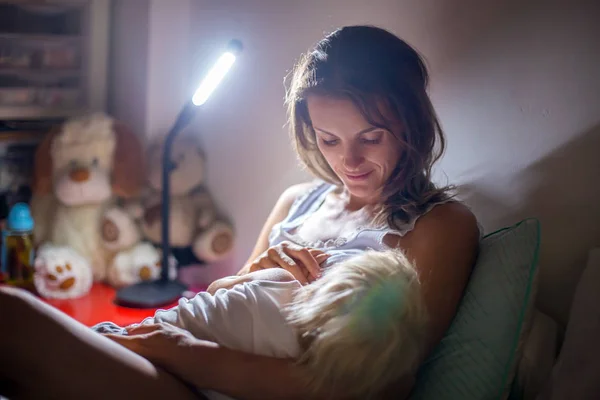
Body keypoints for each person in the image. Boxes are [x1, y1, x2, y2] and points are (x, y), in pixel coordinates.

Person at [0, 25, 479, 400]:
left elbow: (378, 385)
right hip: (177, 349)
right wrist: (254, 271)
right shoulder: (298, 201)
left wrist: (182, 353)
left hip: (210, 384)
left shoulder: (440, 228)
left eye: (369, 138)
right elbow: (226, 298)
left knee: (14, 319)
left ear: (411, 122)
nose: (348, 162)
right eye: (329, 140)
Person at [93, 249, 428, 400]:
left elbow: (217, 288)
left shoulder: (281, 282)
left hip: (134, 342)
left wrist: (262, 271)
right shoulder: (304, 366)